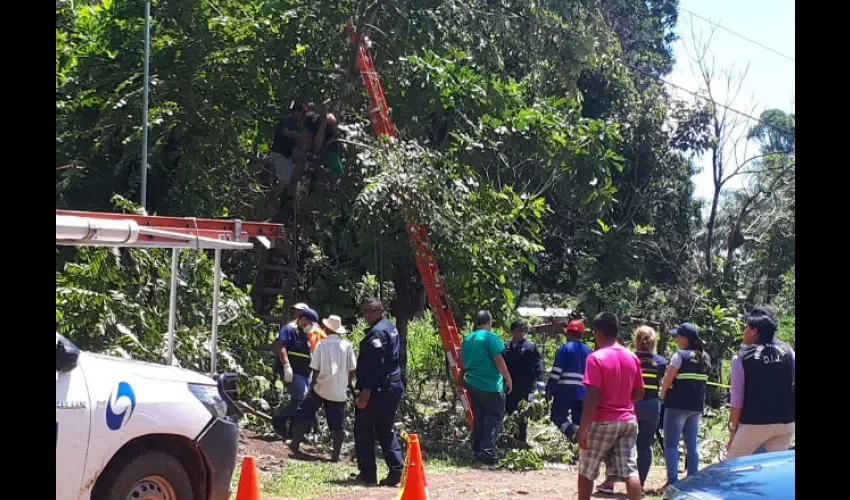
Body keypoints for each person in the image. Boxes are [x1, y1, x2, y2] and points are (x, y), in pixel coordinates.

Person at [576, 312, 644, 500]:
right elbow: (639, 393)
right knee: (630, 470)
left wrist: (582, 429)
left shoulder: (595, 358)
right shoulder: (632, 357)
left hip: (602, 420)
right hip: (628, 421)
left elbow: (592, 396)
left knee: (586, 469)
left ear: (598, 333)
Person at [597, 326, 667, 494]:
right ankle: (639, 485)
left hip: (630, 404)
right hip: (651, 405)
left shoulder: (629, 357)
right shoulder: (661, 362)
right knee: (644, 446)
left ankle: (609, 484)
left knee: (617, 445)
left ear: (636, 340)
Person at [726, 310, 795, 459]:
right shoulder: (788, 351)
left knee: (733, 466)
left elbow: (737, 400)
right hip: (786, 421)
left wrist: (732, 430)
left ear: (754, 331)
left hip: (754, 422)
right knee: (774, 469)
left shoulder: (741, 357)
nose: (743, 332)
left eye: (745, 328)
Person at [289, 315, 357, 462]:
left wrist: (312, 386)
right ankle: (335, 455)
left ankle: (295, 442)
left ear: (326, 328)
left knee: (305, 413)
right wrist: (346, 382)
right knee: (337, 424)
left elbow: (315, 368)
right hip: (338, 389)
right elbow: (352, 369)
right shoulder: (347, 346)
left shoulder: (322, 344)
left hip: (321, 387)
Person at [352, 298, 405, 486]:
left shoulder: (378, 332)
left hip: (378, 388)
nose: (366, 315)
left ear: (380, 310)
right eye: (364, 311)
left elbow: (375, 363)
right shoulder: (389, 327)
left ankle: (367, 474)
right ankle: (396, 469)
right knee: (385, 428)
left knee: (363, 429)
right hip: (392, 385)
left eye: (370, 311)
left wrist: (366, 389)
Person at [459, 310, 514, 465]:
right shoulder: (491, 337)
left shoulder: (468, 338)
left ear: (476, 322)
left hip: (473, 384)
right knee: (495, 417)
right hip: (490, 385)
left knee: (480, 416)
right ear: (489, 322)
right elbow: (499, 360)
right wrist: (508, 379)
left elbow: (462, 361)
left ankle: (477, 448)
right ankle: (487, 451)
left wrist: (459, 377)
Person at [659, 322, 711, 485]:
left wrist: (663, 394)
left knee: (671, 445)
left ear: (684, 338)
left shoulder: (679, 356)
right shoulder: (705, 356)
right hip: (695, 406)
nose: (676, 340)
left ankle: (673, 481)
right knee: (692, 444)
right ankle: (693, 479)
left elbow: (668, 379)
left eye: (677, 337)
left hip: (676, 405)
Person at [272, 307, 322, 440]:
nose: (311, 327)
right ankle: (280, 418)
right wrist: (286, 366)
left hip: (305, 372)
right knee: (301, 396)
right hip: (292, 371)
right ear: (303, 319)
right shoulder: (288, 329)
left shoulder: (306, 333)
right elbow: (281, 347)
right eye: (309, 324)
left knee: (300, 400)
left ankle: (293, 430)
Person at [546, 318, 592, 442]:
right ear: (581, 334)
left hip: (564, 391)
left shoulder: (564, 349)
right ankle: (581, 449)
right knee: (580, 421)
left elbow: (556, 372)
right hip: (583, 392)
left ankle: (572, 430)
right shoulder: (589, 352)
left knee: (557, 415)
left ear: (568, 333)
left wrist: (549, 389)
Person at [502, 320, 544, 443]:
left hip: (524, 386)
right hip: (509, 385)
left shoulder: (530, 347)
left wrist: (540, 380)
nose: (522, 333)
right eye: (519, 330)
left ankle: (521, 440)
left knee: (522, 413)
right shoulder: (505, 347)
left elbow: (537, 364)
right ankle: (510, 437)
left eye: (523, 330)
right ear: (512, 332)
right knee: (509, 411)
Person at [269, 104, 311, 207]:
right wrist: (300, 136)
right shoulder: (286, 120)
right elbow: (286, 132)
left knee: (299, 172)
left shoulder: (296, 125)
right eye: (301, 113)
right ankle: (272, 201)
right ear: (296, 111)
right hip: (279, 153)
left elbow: (297, 143)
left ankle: (289, 197)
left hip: (288, 156)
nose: (302, 116)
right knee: (285, 179)